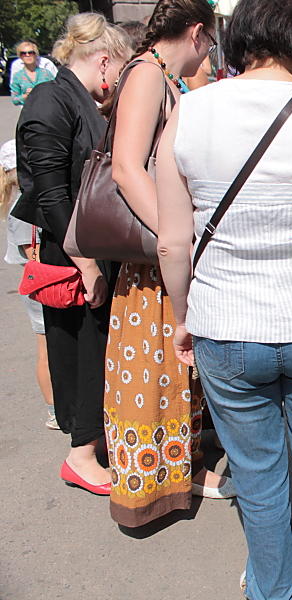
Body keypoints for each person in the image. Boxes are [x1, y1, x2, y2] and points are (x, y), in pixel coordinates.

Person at [155, 0, 292, 595]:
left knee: (256, 477)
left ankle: (273, 588)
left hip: (226, 323)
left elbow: (173, 244)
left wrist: (184, 316)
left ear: (241, 36)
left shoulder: (190, 112)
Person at [106, 0, 231, 528]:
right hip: (157, 256)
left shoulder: (157, 75)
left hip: (164, 255)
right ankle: (154, 483)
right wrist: (177, 236)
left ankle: (180, 472)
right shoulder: (147, 75)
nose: (209, 54)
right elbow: (125, 170)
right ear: (197, 32)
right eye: (211, 42)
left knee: (171, 371)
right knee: (154, 370)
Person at [13, 13, 132, 496]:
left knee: (94, 345)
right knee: (82, 348)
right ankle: (80, 454)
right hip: (70, 252)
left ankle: (90, 443)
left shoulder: (70, 98)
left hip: (80, 247)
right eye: (119, 70)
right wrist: (85, 264)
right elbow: (49, 195)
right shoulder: (51, 99)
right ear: (104, 60)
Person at [2, 139, 57, 430]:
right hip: (40, 285)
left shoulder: (21, 202)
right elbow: (33, 254)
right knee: (45, 346)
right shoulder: (22, 207)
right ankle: (53, 410)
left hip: (37, 283)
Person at [10, 41, 56, 106]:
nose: (27, 55)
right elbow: (14, 100)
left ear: (36, 54)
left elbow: (57, 91)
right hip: (28, 113)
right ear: (20, 56)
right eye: (23, 53)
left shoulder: (46, 73)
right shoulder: (18, 76)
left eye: (31, 52)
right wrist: (26, 95)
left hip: (47, 110)